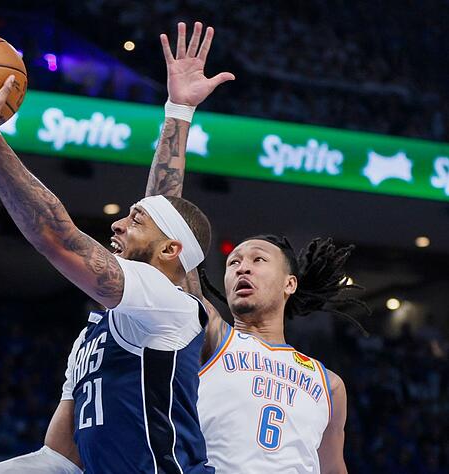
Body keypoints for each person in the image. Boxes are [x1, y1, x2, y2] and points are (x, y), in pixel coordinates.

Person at [0, 22, 233, 474]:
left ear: (169, 252)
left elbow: (56, 235)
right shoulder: (95, 335)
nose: (116, 223)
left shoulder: (170, 307)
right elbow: (56, 461)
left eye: (134, 220)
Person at [145, 23, 368, 474]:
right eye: (232, 262)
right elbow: (159, 224)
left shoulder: (330, 385)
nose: (240, 268)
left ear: (290, 283)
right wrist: (179, 112)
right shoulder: (212, 335)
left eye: (256, 260)